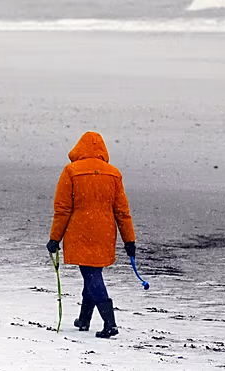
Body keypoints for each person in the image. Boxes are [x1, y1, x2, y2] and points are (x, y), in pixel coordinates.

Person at [46, 131, 136, 338]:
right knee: (93, 272)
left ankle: (110, 323)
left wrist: (55, 238)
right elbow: (122, 212)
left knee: (91, 274)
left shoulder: (71, 171)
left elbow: (63, 209)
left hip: (81, 231)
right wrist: (129, 240)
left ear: (80, 148)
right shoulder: (113, 173)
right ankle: (84, 319)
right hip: (104, 233)